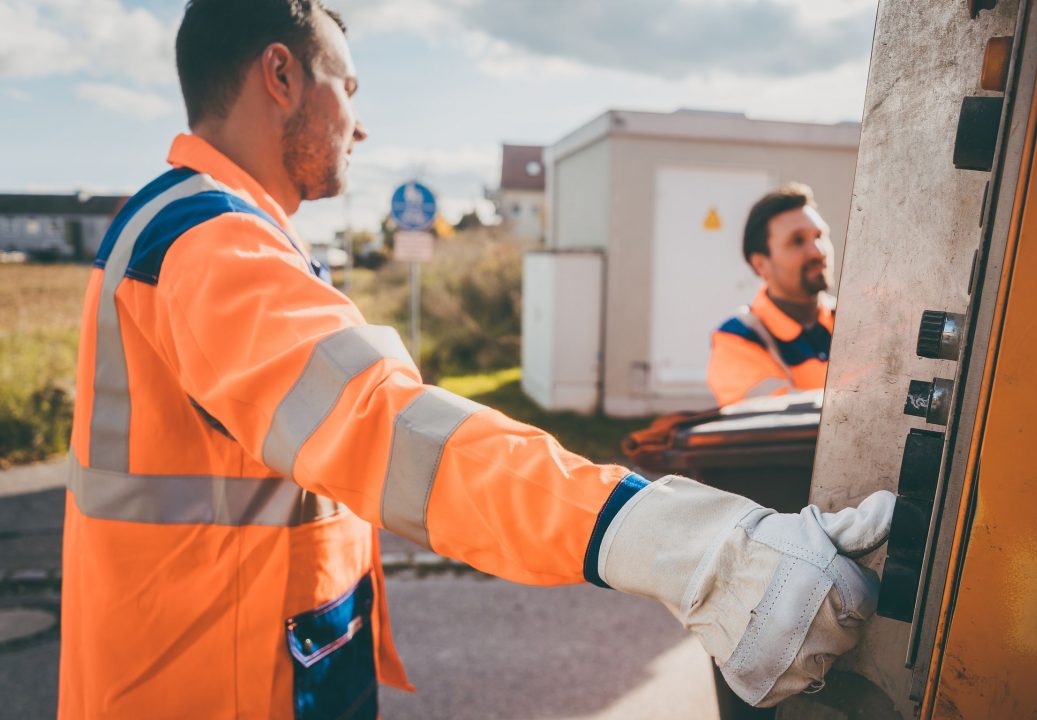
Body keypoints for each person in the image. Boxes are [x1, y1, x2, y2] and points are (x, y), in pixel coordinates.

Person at [59, 1, 894, 717]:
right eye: (347, 88)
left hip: (232, 669)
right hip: (213, 690)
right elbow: (389, 429)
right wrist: (689, 548)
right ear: (280, 76)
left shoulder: (200, 235)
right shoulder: (205, 245)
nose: (360, 120)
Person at [707, 184, 838, 406]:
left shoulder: (856, 321)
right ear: (760, 264)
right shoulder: (737, 337)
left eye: (820, 235)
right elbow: (778, 422)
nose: (818, 251)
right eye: (797, 241)